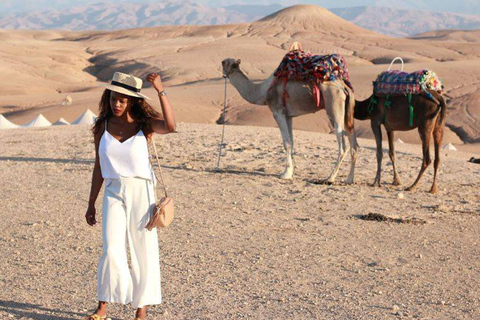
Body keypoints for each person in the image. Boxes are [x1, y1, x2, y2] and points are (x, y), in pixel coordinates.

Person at [84, 71, 176, 320]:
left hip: (141, 191)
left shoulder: (144, 125)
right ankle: (102, 307)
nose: (116, 104)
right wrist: (91, 202)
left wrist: (160, 90)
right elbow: (99, 165)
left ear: (132, 101)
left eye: (122, 100)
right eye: (113, 99)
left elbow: (170, 126)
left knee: (141, 249)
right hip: (113, 190)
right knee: (111, 247)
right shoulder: (101, 126)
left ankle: (141, 310)